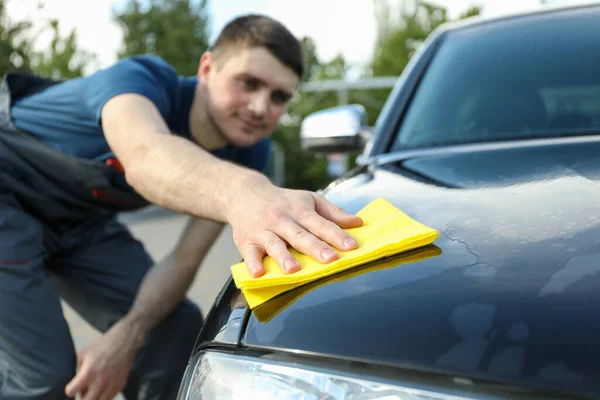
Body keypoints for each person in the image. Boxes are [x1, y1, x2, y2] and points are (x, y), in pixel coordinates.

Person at [0, 13, 363, 400]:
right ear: (207, 68)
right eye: (249, 83)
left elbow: (184, 261)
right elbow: (145, 154)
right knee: (45, 373)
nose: (260, 107)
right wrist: (248, 191)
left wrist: (125, 338)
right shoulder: (138, 81)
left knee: (173, 330)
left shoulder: (248, 150)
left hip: (79, 225)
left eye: (279, 97)